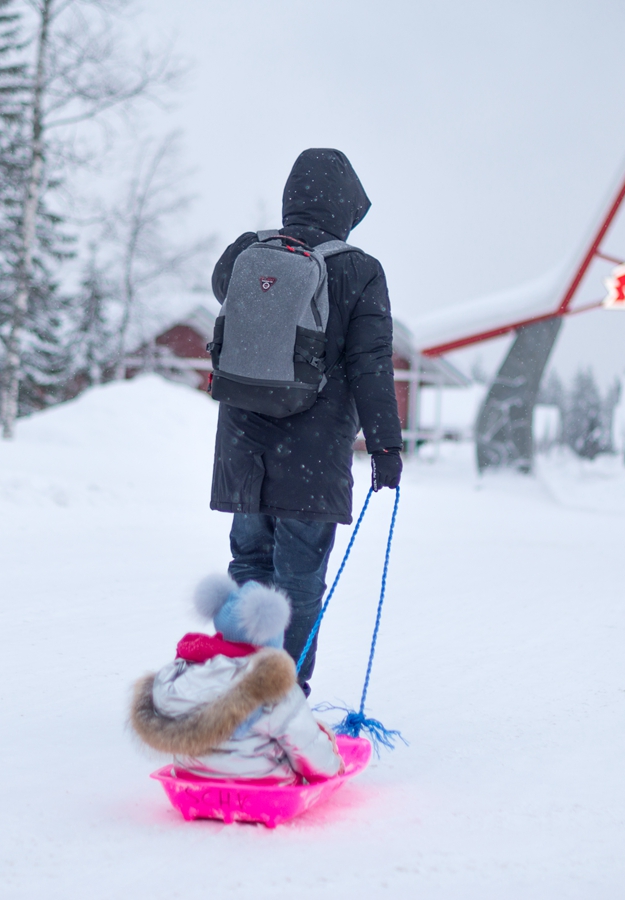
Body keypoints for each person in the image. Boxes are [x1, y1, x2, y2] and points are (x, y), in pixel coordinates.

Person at [209, 148, 402, 694]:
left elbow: (223, 288)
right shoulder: (360, 271)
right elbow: (370, 364)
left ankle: (236, 688)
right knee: (297, 580)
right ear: (346, 205)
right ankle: (280, 700)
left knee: (248, 564)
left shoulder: (247, 252)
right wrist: (386, 448)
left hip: (242, 447)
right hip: (312, 457)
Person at [130, 573, 343, 782]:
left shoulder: (182, 676)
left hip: (192, 781)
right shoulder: (276, 689)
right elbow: (308, 747)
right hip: (265, 787)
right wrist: (334, 767)